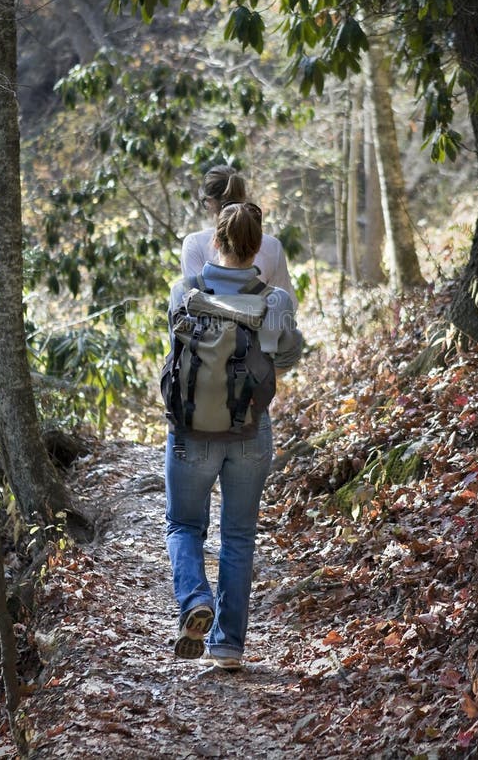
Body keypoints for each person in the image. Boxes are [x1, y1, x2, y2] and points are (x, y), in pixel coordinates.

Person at [165, 202, 303, 671]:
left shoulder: (184, 292)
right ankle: (228, 646)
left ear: (217, 242)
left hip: (191, 431)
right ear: (258, 247)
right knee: (238, 536)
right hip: (249, 429)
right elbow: (287, 357)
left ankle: (194, 600)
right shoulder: (275, 302)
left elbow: (177, 350)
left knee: (184, 525)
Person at [181, 165, 298, 309]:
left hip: (208, 330)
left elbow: (192, 304)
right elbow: (285, 307)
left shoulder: (194, 244)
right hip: (260, 329)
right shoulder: (272, 246)